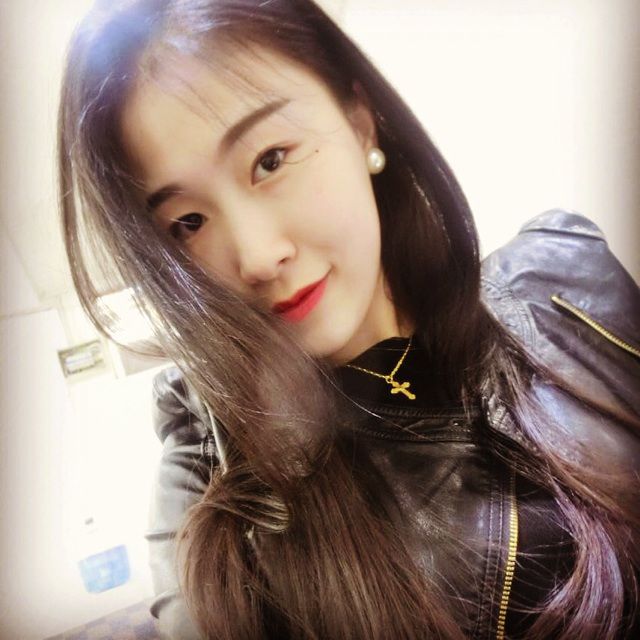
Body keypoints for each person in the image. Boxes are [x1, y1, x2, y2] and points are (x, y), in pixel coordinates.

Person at [57, 0, 640, 638]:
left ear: (361, 124)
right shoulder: (211, 486)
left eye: (270, 159)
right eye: (187, 223)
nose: (257, 256)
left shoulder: (565, 278)